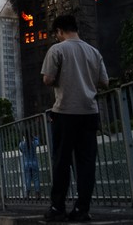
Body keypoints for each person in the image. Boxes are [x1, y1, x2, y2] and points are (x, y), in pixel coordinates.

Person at [40, 14, 109, 223]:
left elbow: (48, 79)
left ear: (59, 31)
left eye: (56, 34)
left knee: (62, 161)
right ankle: (82, 208)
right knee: (86, 163)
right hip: (89, 112)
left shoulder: (57, 50)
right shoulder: (93, 52)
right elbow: (104, 82)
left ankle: (57, 207)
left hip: (65, 112)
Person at [20, 134, 40, 199]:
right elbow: (38, 141)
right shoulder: (34, 143)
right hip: (34, 163)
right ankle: (37, 195)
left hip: (26, 163)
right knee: (36, 179)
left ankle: (27, 195)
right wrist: (34, 137)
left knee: (27, 179)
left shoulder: (21, 144)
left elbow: (21, 150)